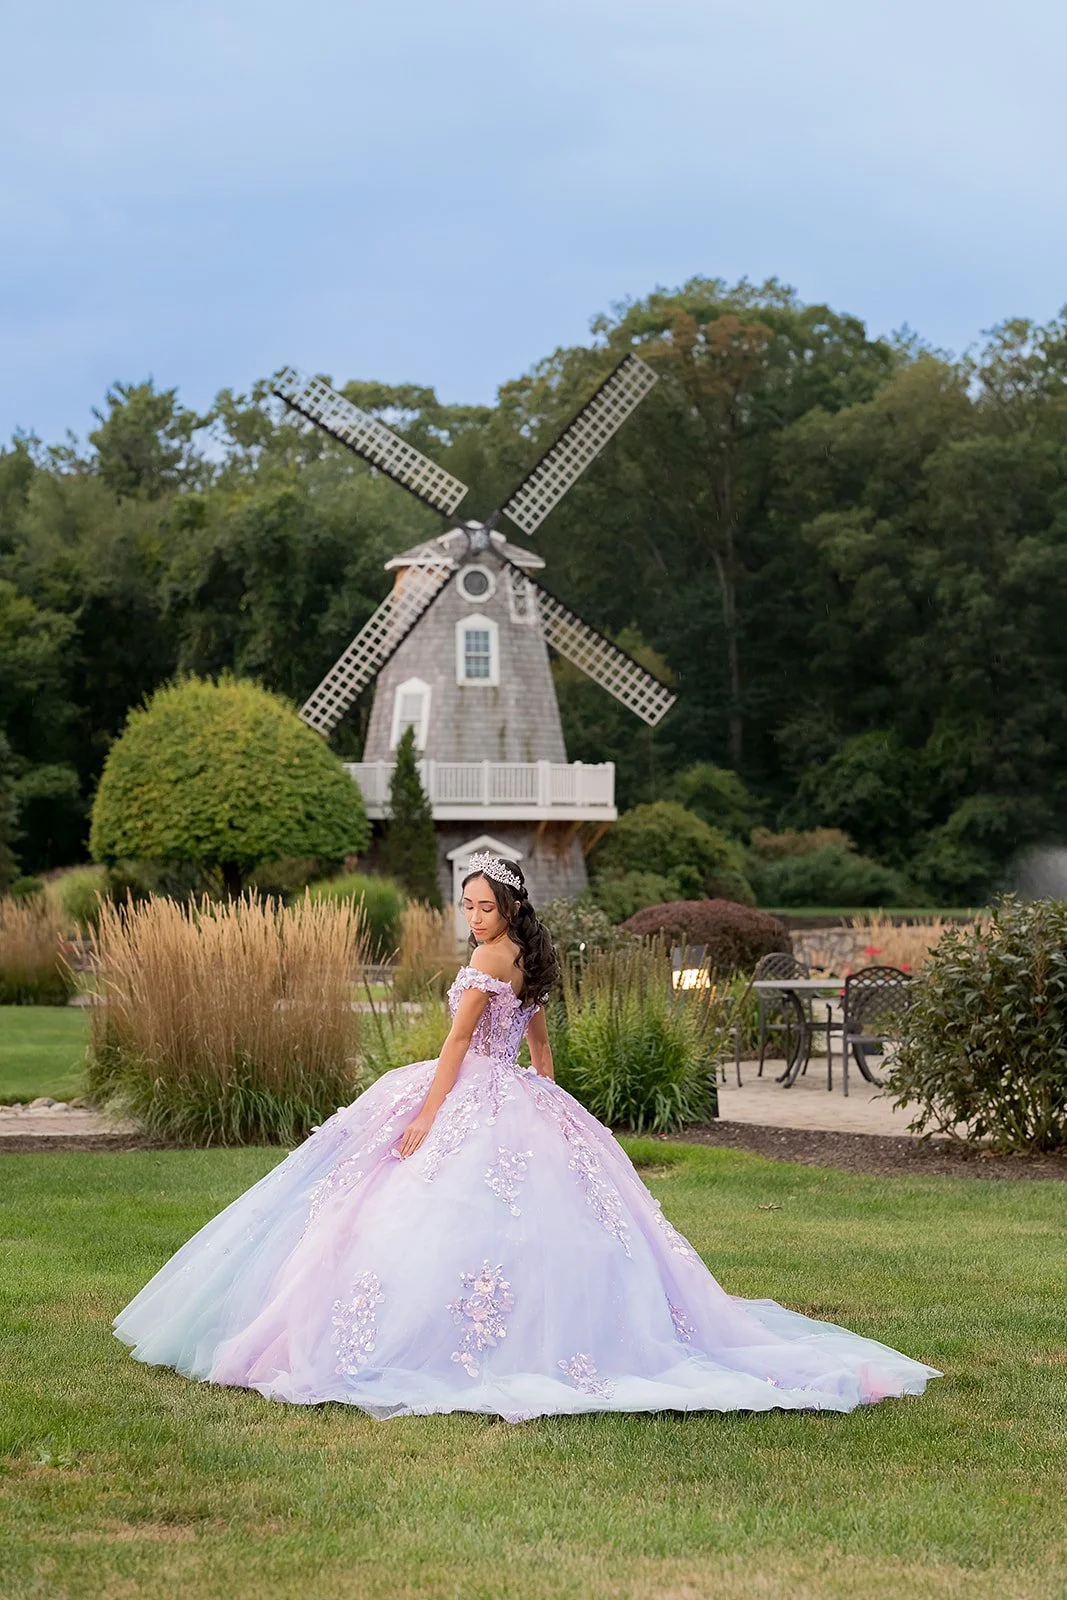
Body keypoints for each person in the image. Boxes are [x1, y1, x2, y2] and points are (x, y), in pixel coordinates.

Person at [113, 854, 940, 1420]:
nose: (471, 916)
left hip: (468, 1091)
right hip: (514, 1093)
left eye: (482, 905)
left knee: (414, 1212)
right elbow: (539, 1045)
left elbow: (455, 1046)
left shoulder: (485, 965)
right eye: (465, 904)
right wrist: (550, 1104)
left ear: (508, 907)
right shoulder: (528, 959)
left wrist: (429, 1115)